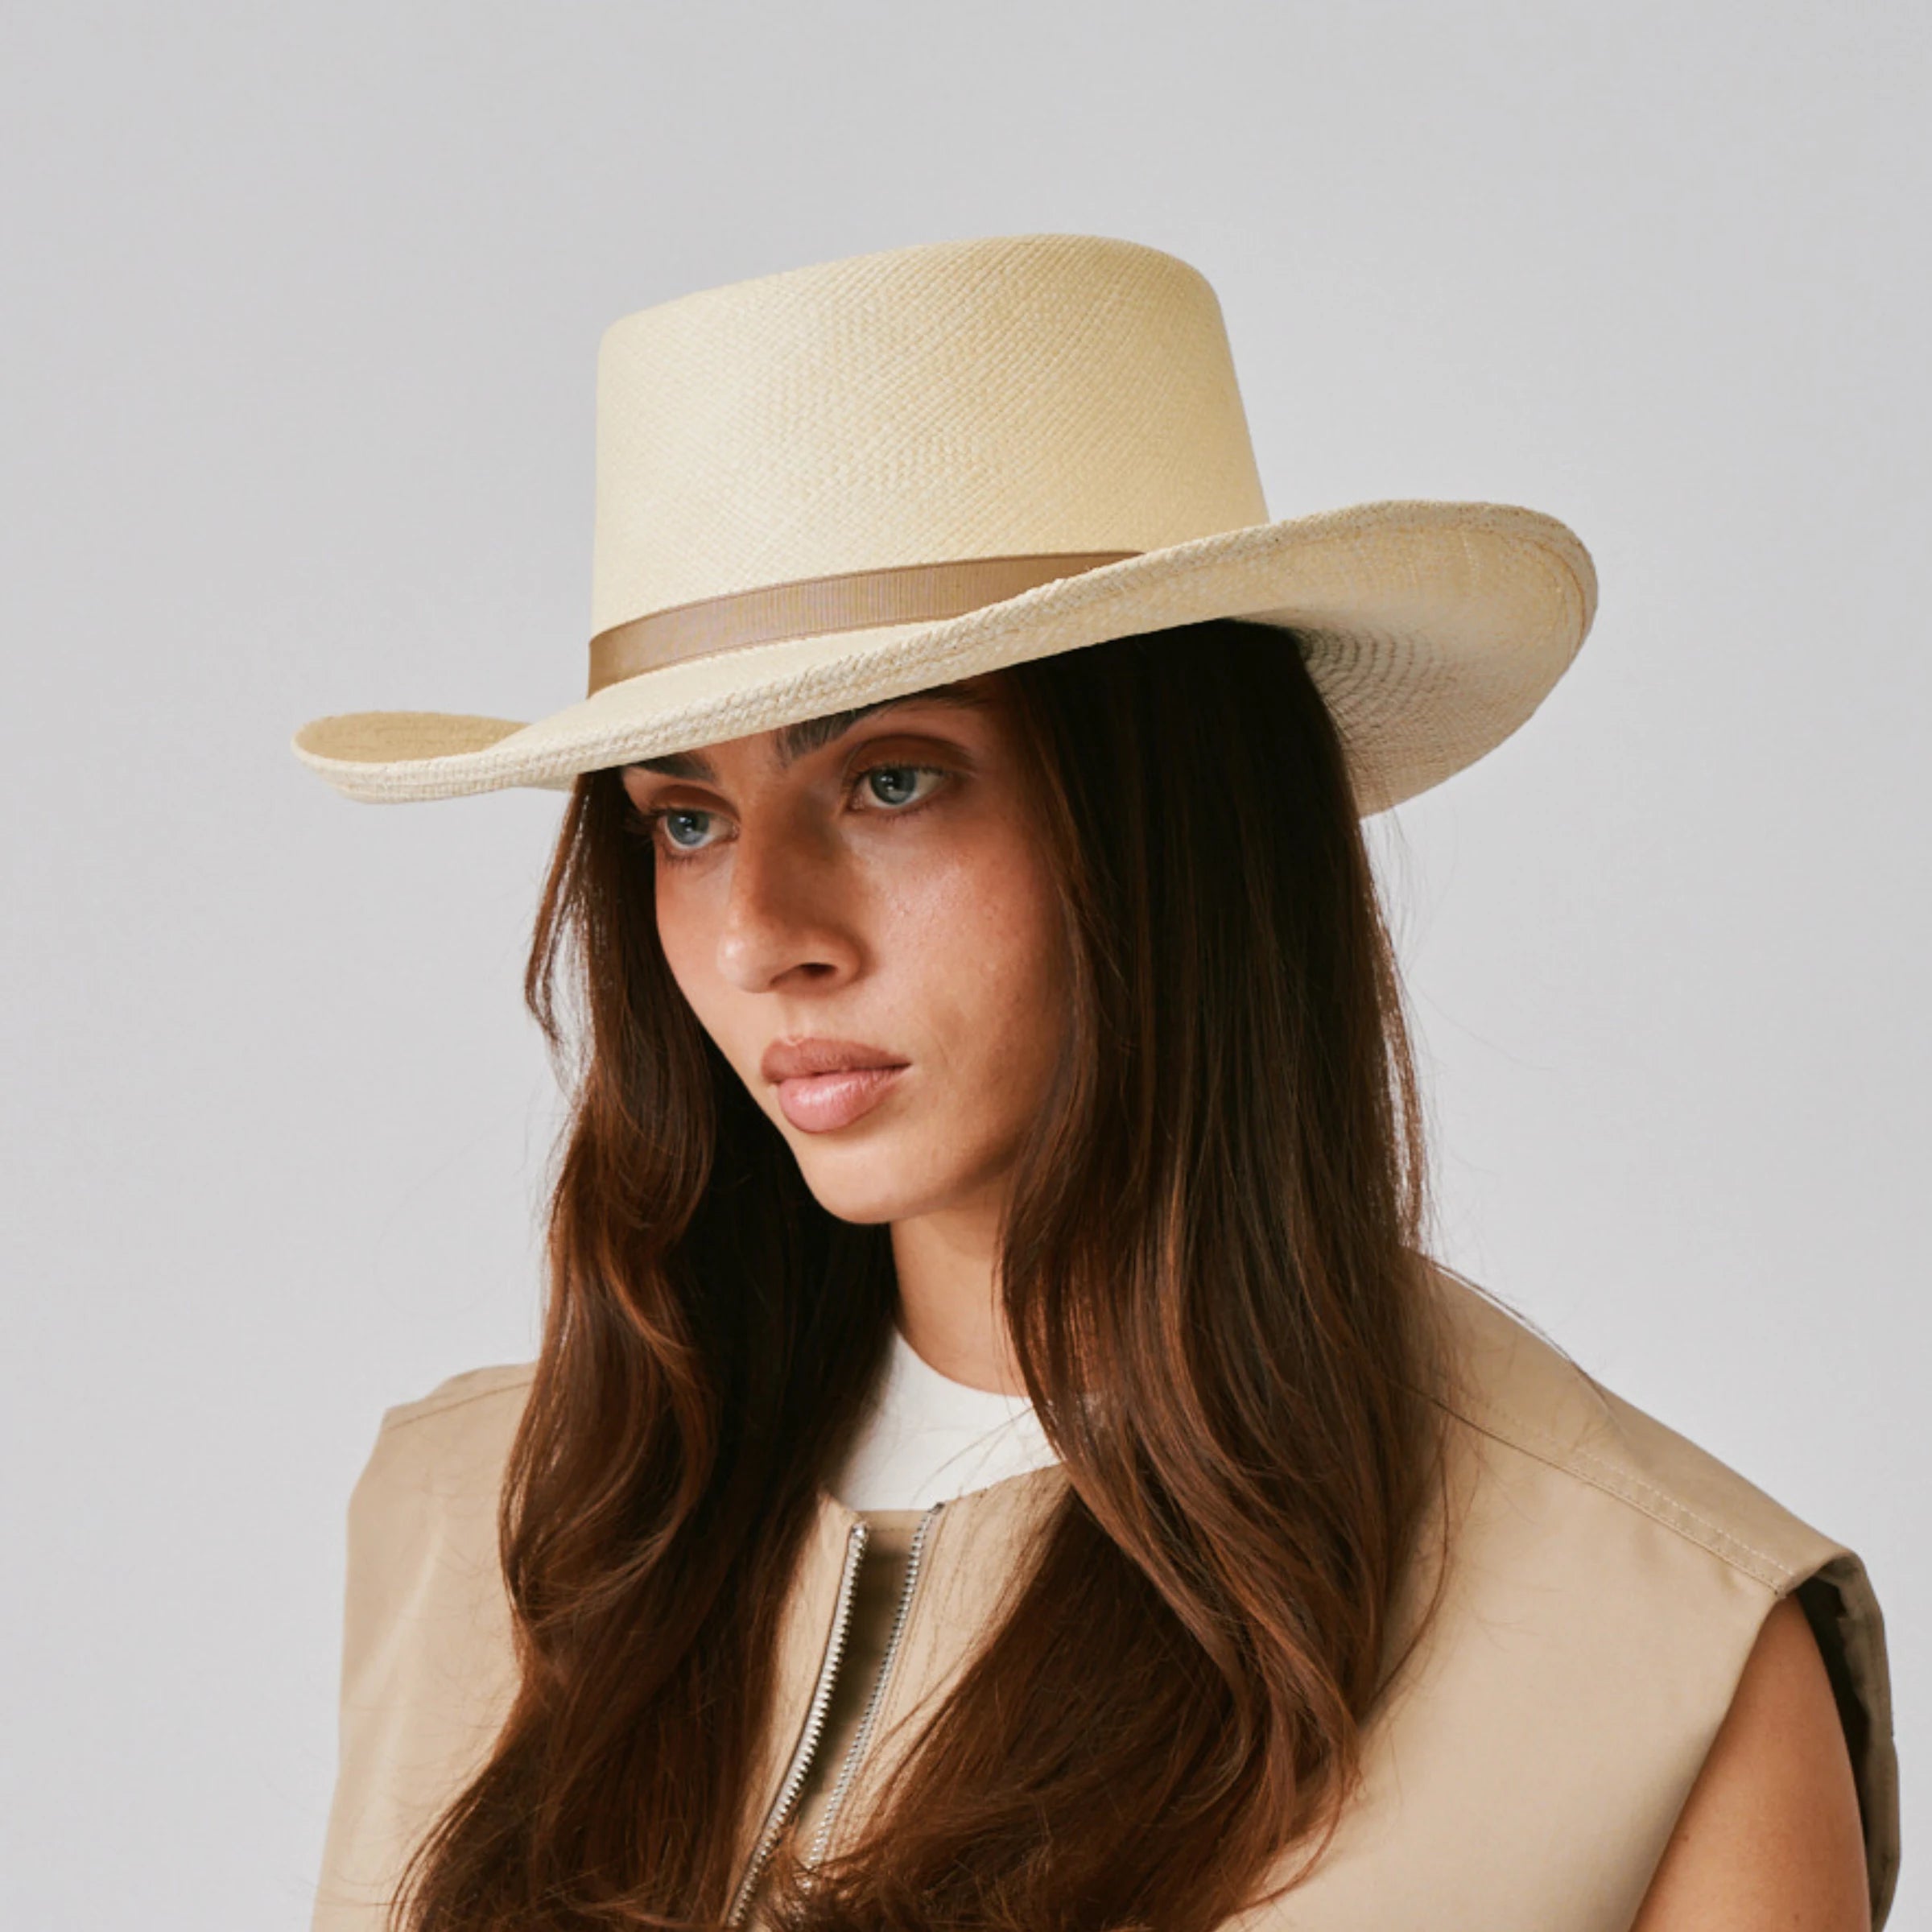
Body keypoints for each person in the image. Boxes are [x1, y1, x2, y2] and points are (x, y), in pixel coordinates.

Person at [292, 234, 1897, 1932]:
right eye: (685, 819)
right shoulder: (491, 1520)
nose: (764, 930)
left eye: (894, 779)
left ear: (1176, 818)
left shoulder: (1648, 1655)